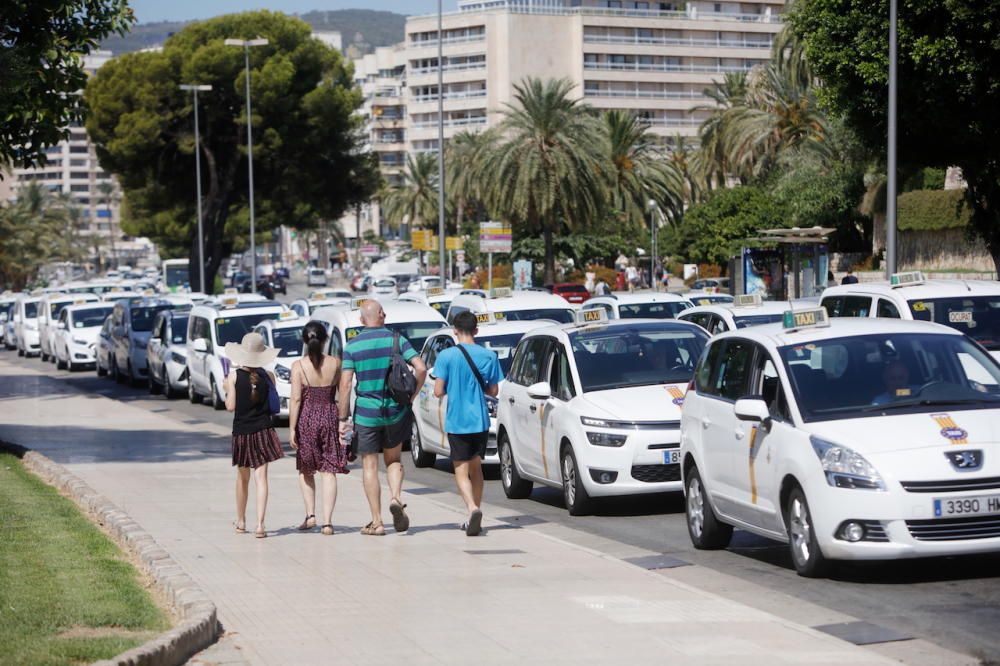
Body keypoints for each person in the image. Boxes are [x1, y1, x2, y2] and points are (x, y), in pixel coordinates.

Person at [338, 301, 427, 536]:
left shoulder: (352, 346)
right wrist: (411, 396)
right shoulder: (397, 339)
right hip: (396, 411)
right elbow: (421, 368)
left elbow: (345, 384)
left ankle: (377, 522)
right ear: (379, 316)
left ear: (361, 321)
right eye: (382, 312)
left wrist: (342, 418)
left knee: (369, 465)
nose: (385, 314)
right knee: (394, 459)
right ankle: (396, 498)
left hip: (367, 414)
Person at [432, 312, 502, 536]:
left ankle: (471, 508)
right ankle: (476, 512)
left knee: (460, 471)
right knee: (476, 469)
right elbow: (493, 390)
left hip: (457, 421)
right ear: (476, 330)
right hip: (480, 420)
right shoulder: (488, 356)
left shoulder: (446, 356)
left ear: (454, 331)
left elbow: (437, 390)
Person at [289, 321, 348, 536]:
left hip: (307, 418)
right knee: (329, 470)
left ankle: (310, 515)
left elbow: (295, 399)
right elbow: (343, 393)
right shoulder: (336, 363)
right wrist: (344, 420)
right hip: (330, 415)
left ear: (305, 340)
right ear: (324, 341)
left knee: (306, 469)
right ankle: (328, 523)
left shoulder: (298, 366)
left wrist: (292, 428)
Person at [223, 332, 284, 539]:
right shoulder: (269, 376)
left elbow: (230, 406)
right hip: (264, 430)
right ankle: (260, 525)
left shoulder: (234, 377)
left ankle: (241, 521)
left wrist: (228, 388)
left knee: (243, 478)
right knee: (262, 478)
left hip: (242, 432)